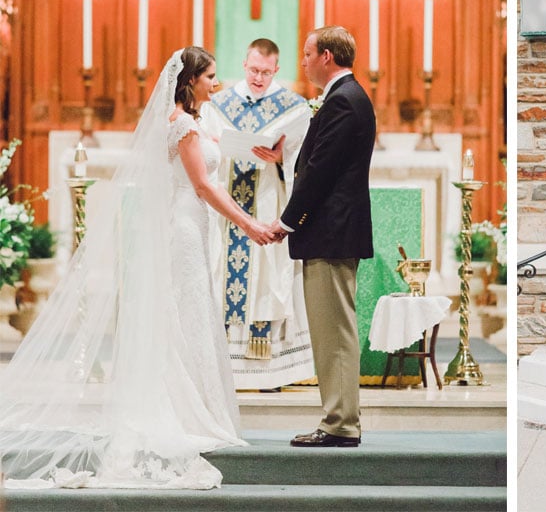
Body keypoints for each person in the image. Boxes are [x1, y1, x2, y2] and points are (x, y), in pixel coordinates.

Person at [0, 47, 277, 489]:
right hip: (185, 226)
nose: (216, 83)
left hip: (196, 227)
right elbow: (202, 186)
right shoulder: (183, 124)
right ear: (189, 82)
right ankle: (184, 408)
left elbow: (216, 158)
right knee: (183, 313)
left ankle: (197, 406)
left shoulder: (199, 122)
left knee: (190, 314)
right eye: (209, 76)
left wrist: (257, 149)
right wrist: (249, 224)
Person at [270, 26, 375, 448]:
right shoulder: (344, 98)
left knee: (333, 332)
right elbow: (318, 160)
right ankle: (339, 418)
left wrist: (287, 220)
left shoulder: (342, 102)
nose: (304, 60)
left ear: (327, 56)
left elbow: (321, 172)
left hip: (330, 232)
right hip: (332, 232)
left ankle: (340, 423)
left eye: (307, 53)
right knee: (332, 329)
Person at [202, 38, 315, 390]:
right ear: (244, 64)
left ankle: (268, 372)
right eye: (253, 70)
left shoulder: (294, 108)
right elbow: (202, 147)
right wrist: (221, 148)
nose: (258, 78)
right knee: (221, 272)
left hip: (267, 202)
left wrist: (282, 159)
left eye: (266, 72)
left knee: (268, 279)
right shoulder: (217, 104)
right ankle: (222, 367)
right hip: (227, 208)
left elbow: (304, 158)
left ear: (277, 70)